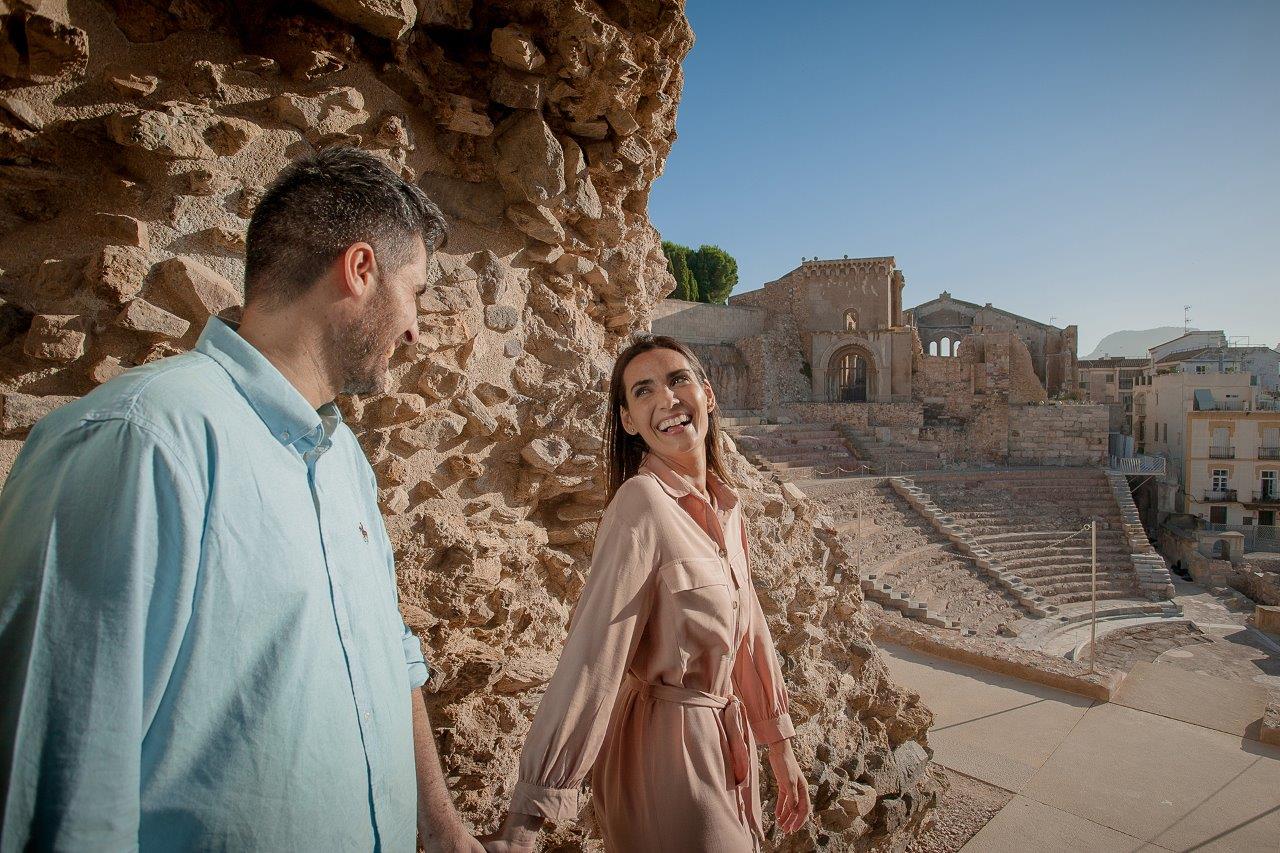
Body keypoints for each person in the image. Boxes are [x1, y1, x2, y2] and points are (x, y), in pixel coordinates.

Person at [0, 148, 481, 852]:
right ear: (360, 270)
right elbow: (59, 786)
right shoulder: (142, 440)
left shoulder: (343, 456)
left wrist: (439, 828)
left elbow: (388, 649)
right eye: (415, 292)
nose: (417, 329)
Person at [487, 336, 811, 852]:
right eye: (644, 391)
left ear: (708, 394)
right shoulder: (641, 503)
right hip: (665, 756)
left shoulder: (728, 511)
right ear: (628, 421)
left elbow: (749, 637)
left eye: (678, 379)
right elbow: (594, 655)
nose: (666, 398)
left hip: (727, 750)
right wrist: (531, 814)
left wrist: (779, 747)